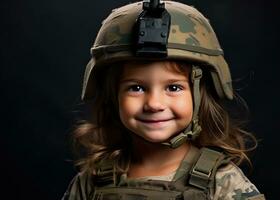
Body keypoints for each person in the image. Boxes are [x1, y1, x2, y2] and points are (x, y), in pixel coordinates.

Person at [62, 0, 265, 199]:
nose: (154, 104)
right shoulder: (91, 181)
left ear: (199, 95)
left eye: (173, 87)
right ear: (113, 96)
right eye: (137, 88)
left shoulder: (223, 182)